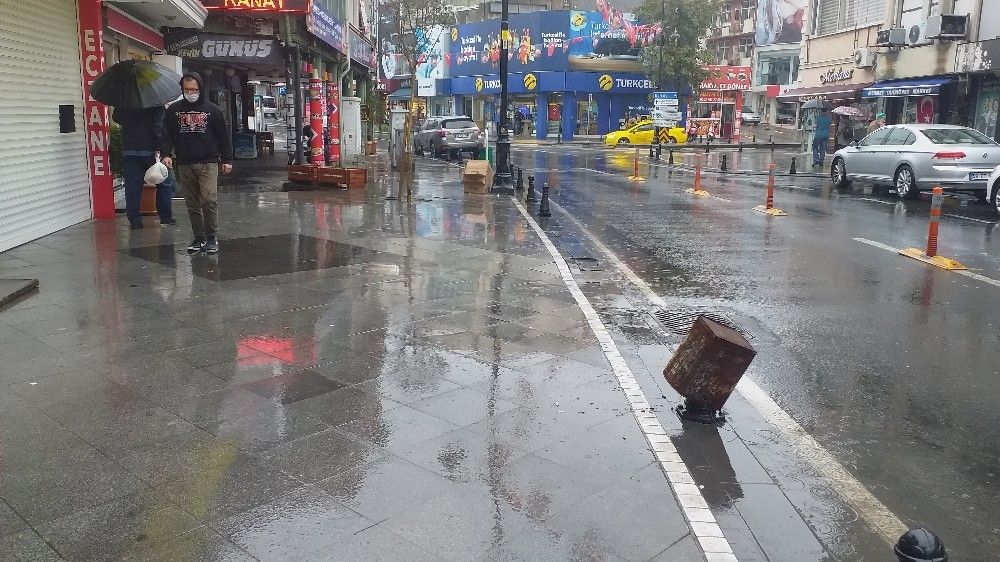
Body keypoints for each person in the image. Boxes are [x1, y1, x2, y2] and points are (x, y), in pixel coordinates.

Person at [160, 73, 233, 255]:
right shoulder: (174, 110)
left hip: (209, 161)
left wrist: (227, 159)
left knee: (209, 199)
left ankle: (211, 237)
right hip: (185, 162)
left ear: (200, 88)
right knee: (192, 203)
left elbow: (223, 136)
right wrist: (166, 154)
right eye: (187, 90)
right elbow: (167, 134)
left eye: (194, 89)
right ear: (182, 89)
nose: (191, 93)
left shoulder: (212, 110)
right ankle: (199, 237)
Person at [112, 106, 175, 230]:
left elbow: (117, 117)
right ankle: (165, 217)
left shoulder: (126, 101)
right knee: (164, 183)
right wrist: (162, 150)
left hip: (130, 149)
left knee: (132, 186)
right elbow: (159, 127)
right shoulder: (155, 102)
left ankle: (134, 220)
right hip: (152, 151)